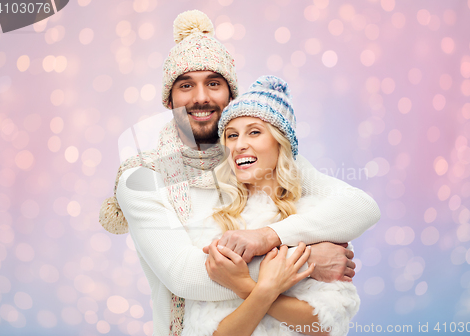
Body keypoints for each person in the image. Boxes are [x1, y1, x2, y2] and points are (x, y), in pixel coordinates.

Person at [98, 10, 380, 336]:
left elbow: (361, 207)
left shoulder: (253, 157)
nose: (201, 97)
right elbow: (185, 275)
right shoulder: (142, 178)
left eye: (214, 84)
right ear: (169, 99)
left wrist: (267, 238)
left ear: (231, 94)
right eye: (186, 85)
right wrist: (308, 260)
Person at [181, 76, 360, 336]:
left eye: (254, 131)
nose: (240, 144)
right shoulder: (212, 219)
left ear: (281, 142)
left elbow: (324, 326)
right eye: (231, 135)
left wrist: (244, 285)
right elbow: (209, 331)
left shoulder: (318, 218)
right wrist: (269, 284)